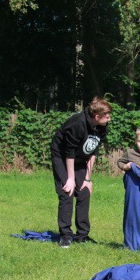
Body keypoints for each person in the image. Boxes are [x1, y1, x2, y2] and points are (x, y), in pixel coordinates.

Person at [51, 97, 112, 248]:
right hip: (62, 156)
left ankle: (82, 235)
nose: (109, 119)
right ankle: (65, 235)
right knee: (67, 191)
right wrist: (70, 178)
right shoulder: (77, 123)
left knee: (84, 191)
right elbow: (69, 151)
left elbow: (93, 150)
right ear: (97, 116)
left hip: (80, 157)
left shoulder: (102, 126)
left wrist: (87, 179)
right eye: (107, 116)